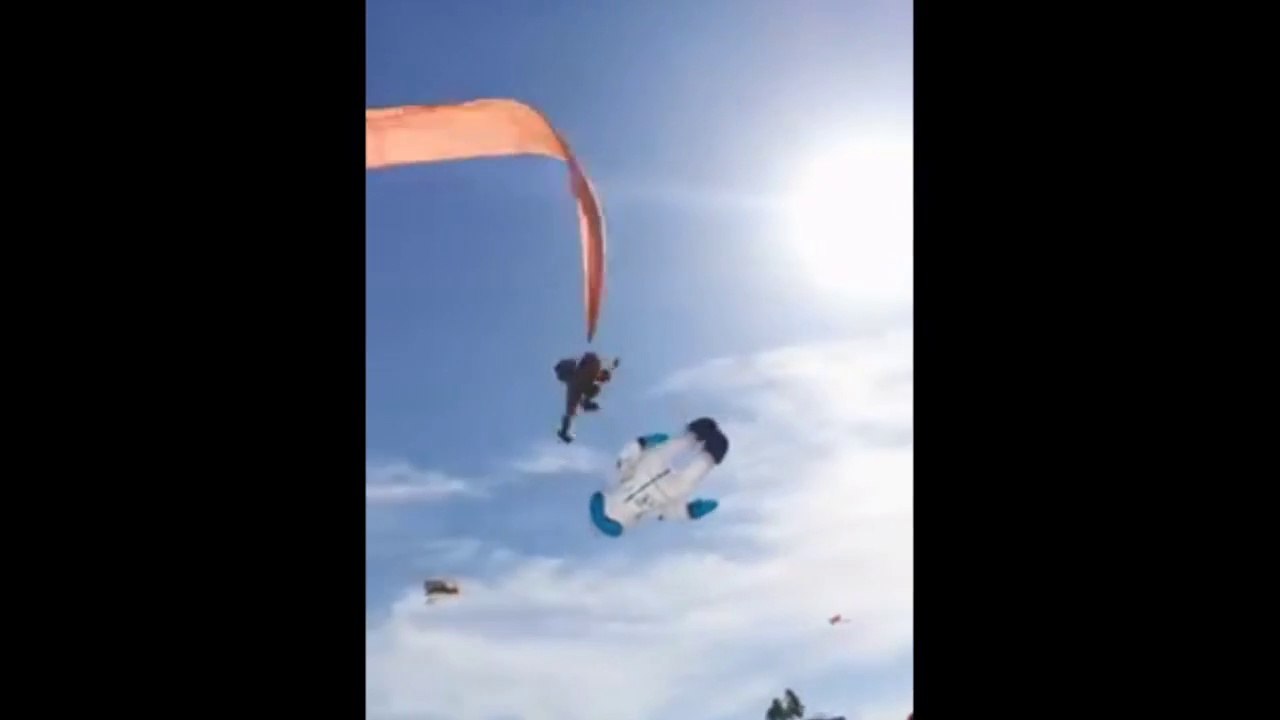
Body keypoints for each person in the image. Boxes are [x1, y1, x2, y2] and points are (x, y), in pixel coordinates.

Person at [554, 352, 618, 443]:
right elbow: (600, 368)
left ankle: (585, 403)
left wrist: (564, 431)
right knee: (595, 388)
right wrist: (612, 366)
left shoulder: (574, 388)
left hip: (575, 381)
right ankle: (585, 403)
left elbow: (569, 413)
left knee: (574, 406)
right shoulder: (594, 368)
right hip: (580, 373)